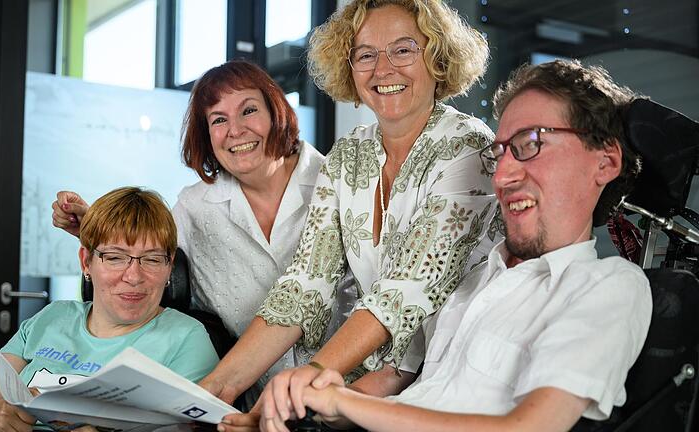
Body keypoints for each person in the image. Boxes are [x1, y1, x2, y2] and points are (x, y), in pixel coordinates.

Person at [263, 59, 653, 432]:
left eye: (530, 143)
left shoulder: (609, 286)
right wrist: (327, 400)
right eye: (499, 152)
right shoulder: (472, 281)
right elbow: (415, 398)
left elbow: (528, 427)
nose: (502, 174)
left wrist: (344, 404)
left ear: (605, 162)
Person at [203, 0, 499, 427]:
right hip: (381, 374)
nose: (383, 69)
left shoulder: (469, 147)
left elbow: (404, 292)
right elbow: (305, 283)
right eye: (365, 55)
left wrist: (301, 388)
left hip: (460, 376)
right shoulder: (347, 156)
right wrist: (218, 386)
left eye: (403, 50)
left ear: (437, 57)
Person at [50, 61, 350, 406]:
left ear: (276, 113)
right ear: (206, 134)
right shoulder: (195, 207)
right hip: (253, 405)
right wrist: (92, 227)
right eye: (218, 119)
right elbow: (145, 258)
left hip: (355, 396)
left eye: (248, 110)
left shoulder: (340, 183)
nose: (235, 130)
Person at [0, 186, 219, 432]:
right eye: (114, 258)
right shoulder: (52, 318)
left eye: (152, 259)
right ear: (86, 262)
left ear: (170, 266)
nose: (134, 276)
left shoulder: (186, 338)